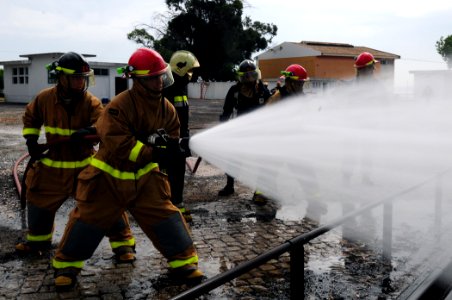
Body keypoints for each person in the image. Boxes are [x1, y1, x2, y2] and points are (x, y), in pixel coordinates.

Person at [51, 48, 203, 291]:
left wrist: (169, 148)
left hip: (145, 178)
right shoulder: (118, 106)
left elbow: (170, 138)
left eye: (161, 76)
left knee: (166, 216)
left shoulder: (167, 109)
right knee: (87, 221)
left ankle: (184, 263)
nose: (159, 82)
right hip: (108, 178)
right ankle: (67, 267)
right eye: (153, 78)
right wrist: (154, 151)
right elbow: (119, 145)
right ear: (138, 80)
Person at [17, 52, 135, 264]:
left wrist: (90, 130)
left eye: (83, 78)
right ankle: (38, 242)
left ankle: (123, 244)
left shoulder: (91, 102)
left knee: (105, 201)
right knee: (37, 199)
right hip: (52, 166)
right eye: (76, 78)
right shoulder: (44, 99)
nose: (81, 82)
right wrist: (31, 142)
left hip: (84, 165)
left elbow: (104, 125)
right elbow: (31, 118)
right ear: (61, 77)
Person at [218, 59, 271, 205]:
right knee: (233, 160)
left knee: (262, 161)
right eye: (245, 76)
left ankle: (259, 191)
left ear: (256, 75)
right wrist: (223, 124)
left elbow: (271, 107)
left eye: (252, 75)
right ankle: (230, 186)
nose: (249, 79)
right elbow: (226, 111)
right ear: (240, 77)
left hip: (259, 133)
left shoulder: (262, 90)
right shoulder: (234, 91)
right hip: (239, 132)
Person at [163, 50, 200, 222]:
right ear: (180, 69)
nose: (191, 75)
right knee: (168, 176)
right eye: (189, 71)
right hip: (168, 141)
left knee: (178, 174)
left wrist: (185, 136)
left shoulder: (181, 86)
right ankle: (168, 209)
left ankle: (177, 204)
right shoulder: (168, 88)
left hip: (180, 138)